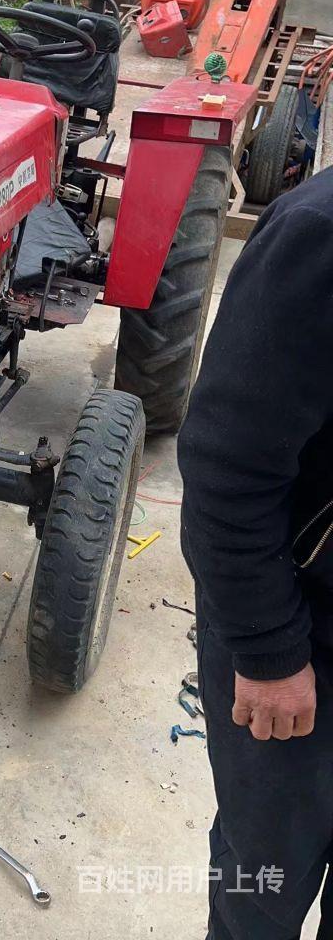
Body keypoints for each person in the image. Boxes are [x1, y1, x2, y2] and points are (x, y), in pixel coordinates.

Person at [178, 162, 333, 940]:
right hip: (303, 636)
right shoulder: (319, 235)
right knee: (264, 874)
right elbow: (227, 470)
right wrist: (272, 653)